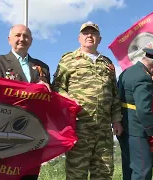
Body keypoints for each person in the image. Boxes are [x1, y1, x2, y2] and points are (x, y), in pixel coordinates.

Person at [52, 21, 123, 180]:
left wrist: (116, 120)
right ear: (79, 38)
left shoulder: (107, 63)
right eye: (86, 33)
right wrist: (70, 102)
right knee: (77, 174)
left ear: (100, 38)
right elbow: (57, 88)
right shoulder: (68, 59)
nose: (89, 36)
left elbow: (114, 93)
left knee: (103, 173)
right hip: (79, 126)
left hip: (103, 129)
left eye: (93, 33)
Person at [0, 24, 51, 180]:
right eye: (18, 35)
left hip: (34, 132)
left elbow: (48, 99)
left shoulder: (43, 67)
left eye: (26, 36)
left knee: (29, 175)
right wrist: (33, 90)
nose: (22, 39)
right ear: (9, 39)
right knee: (4, 175)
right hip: (5, 130)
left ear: (31, 41)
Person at [117, 48, 153, 180]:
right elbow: (143, 109)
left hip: (124, 124)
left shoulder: (127, 72)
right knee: (143, 169)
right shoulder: (144, 77)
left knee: (129, 167)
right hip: (136, 129)